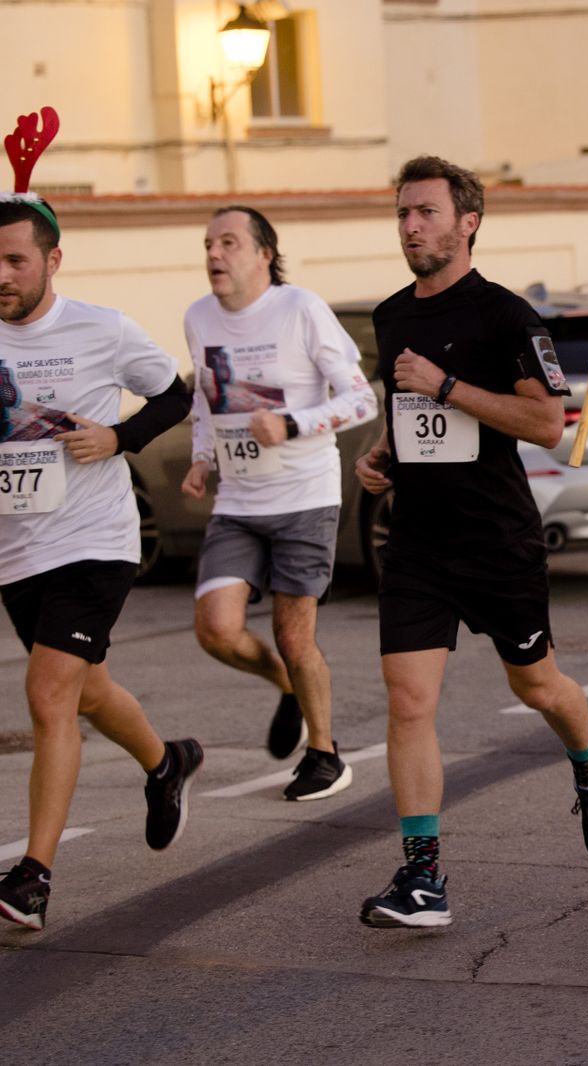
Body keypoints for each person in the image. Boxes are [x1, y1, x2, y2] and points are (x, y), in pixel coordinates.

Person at [352, 155, 588, 929]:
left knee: (536, 686)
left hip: (497, 542)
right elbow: (404, 415)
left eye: (426, 213)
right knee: (409, 703)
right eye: (403, 214)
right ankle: (424, 879)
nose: (410, 227)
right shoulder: (391, 315)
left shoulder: (506, 317)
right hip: (416, 545)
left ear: (467, 221)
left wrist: (445, 386)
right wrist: (381, 454)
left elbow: (546, 424)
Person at [0, 174, 202, 930]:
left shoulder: (103, 328)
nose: (2, 276)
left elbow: (175, 397)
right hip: (16, 547)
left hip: (95, 539)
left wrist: (119, 437)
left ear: (54, 261)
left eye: (17, 261)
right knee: (86, 691)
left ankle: (33, 875)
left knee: (49, 692)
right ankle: (166, 761)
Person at [180, 206, 378, 799]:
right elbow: (205, 394)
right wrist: (200, 455)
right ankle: (287, 686)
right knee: (216, 630)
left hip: (305, 497)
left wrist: (292, 425)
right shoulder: (198, 316)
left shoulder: (301, 309)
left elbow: (361, 401)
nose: (215, 255)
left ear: (265, 253)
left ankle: (324, 753)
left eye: (229, 243)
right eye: (209, 244)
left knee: (296, 636)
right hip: (239, 499)